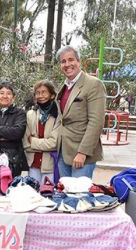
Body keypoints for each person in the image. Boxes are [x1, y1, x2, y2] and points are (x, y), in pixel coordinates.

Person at [54, 45, 106, 179]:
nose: (67, 64)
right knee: (65, 195)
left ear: (79, 62)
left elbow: (96, 122)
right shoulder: (65, 86)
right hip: (63, 152)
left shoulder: (93, 84)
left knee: (79, 197)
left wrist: (83, 153)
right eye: (63, 61)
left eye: (71, 60)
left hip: (81, 155)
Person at [23, 79, 59, 183]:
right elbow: (26, 143)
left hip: (50, 164)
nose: (40, 96)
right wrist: (44, 145)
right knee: (33, 195)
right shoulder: (30, 114)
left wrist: (34, 142)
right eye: (37, 93)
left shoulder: (57, 115)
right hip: (33, 163)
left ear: (52, 95)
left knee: (48, 194)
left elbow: (54, 143)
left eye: (44, 92)